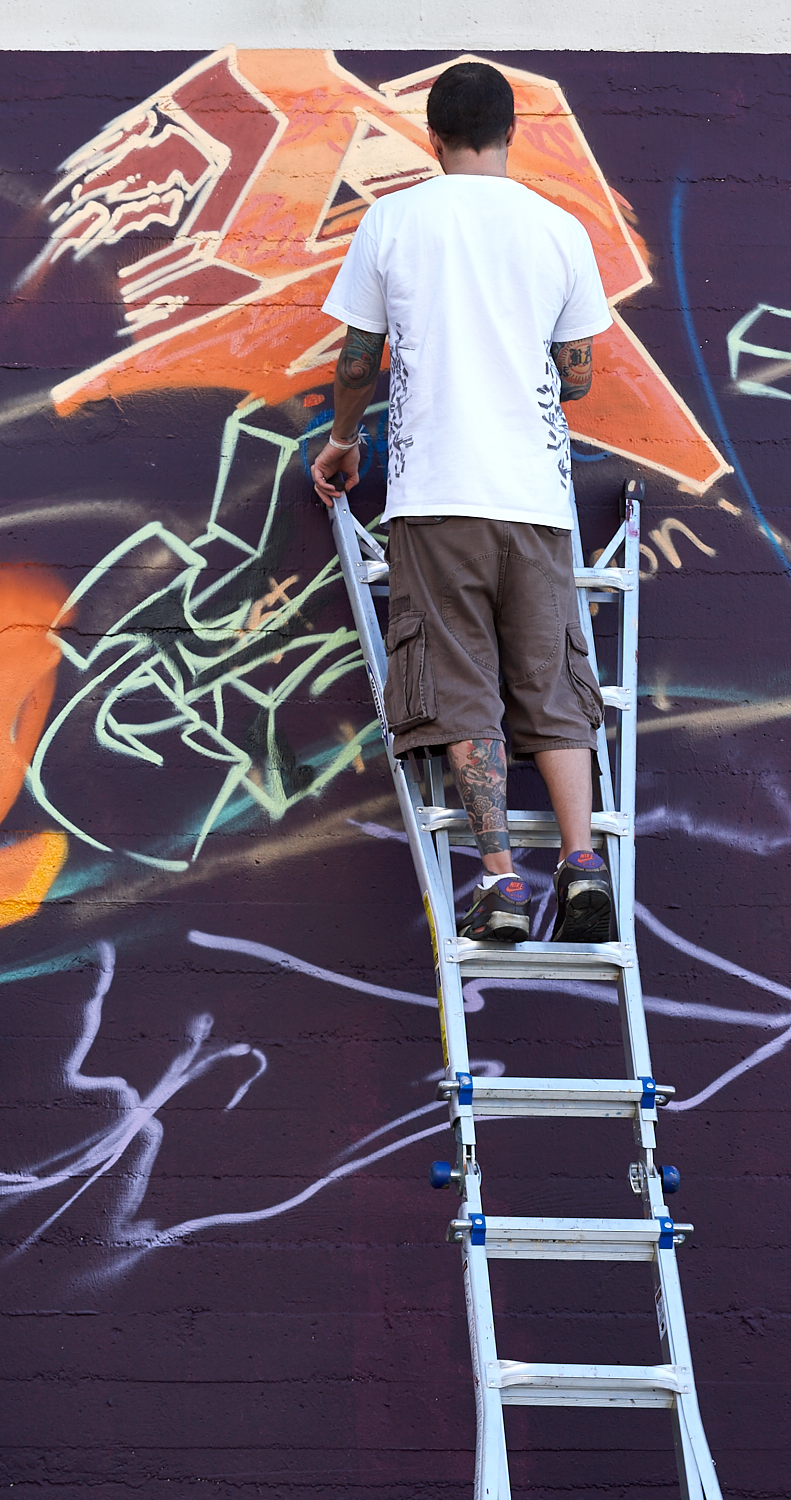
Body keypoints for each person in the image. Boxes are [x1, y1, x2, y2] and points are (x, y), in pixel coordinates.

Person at [311, 59, 618, 945]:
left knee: (459, 683)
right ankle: (582, 862)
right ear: (511, 132)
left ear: (432, 138)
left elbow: (359, 359)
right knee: (554, 680)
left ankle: (501, 880)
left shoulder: (394, 221)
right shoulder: (560, 229)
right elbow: (578, 377)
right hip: (535, 499)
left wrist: (343, 440)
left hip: (438, 494)